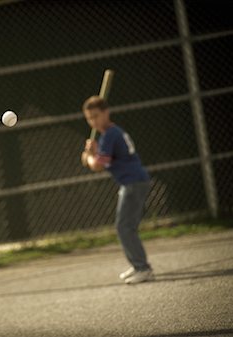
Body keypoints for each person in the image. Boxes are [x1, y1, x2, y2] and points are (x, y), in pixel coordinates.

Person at [81, 96, 153, 285]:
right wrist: (95, 152)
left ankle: (142, 268)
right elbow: (105, 157)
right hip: (134, 181)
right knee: (126, 227)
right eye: (89, 118)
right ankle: (138, 264)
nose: (93, 121)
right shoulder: (111, 134)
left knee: (124, 227)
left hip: (133, 182)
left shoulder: (110, 135)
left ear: (106, 112)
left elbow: (98, 165)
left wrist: (89, 157)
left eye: (96, 116)